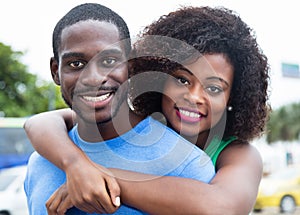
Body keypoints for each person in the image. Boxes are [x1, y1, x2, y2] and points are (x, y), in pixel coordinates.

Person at [24, 5, 270, 215]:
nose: (193, 97)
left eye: (214, 88)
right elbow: (43, 122)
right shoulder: (45, 159)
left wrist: (96, 176)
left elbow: (219, 206)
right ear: (159, 78)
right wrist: (75, 165)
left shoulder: (229, 157)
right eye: (182, 80)